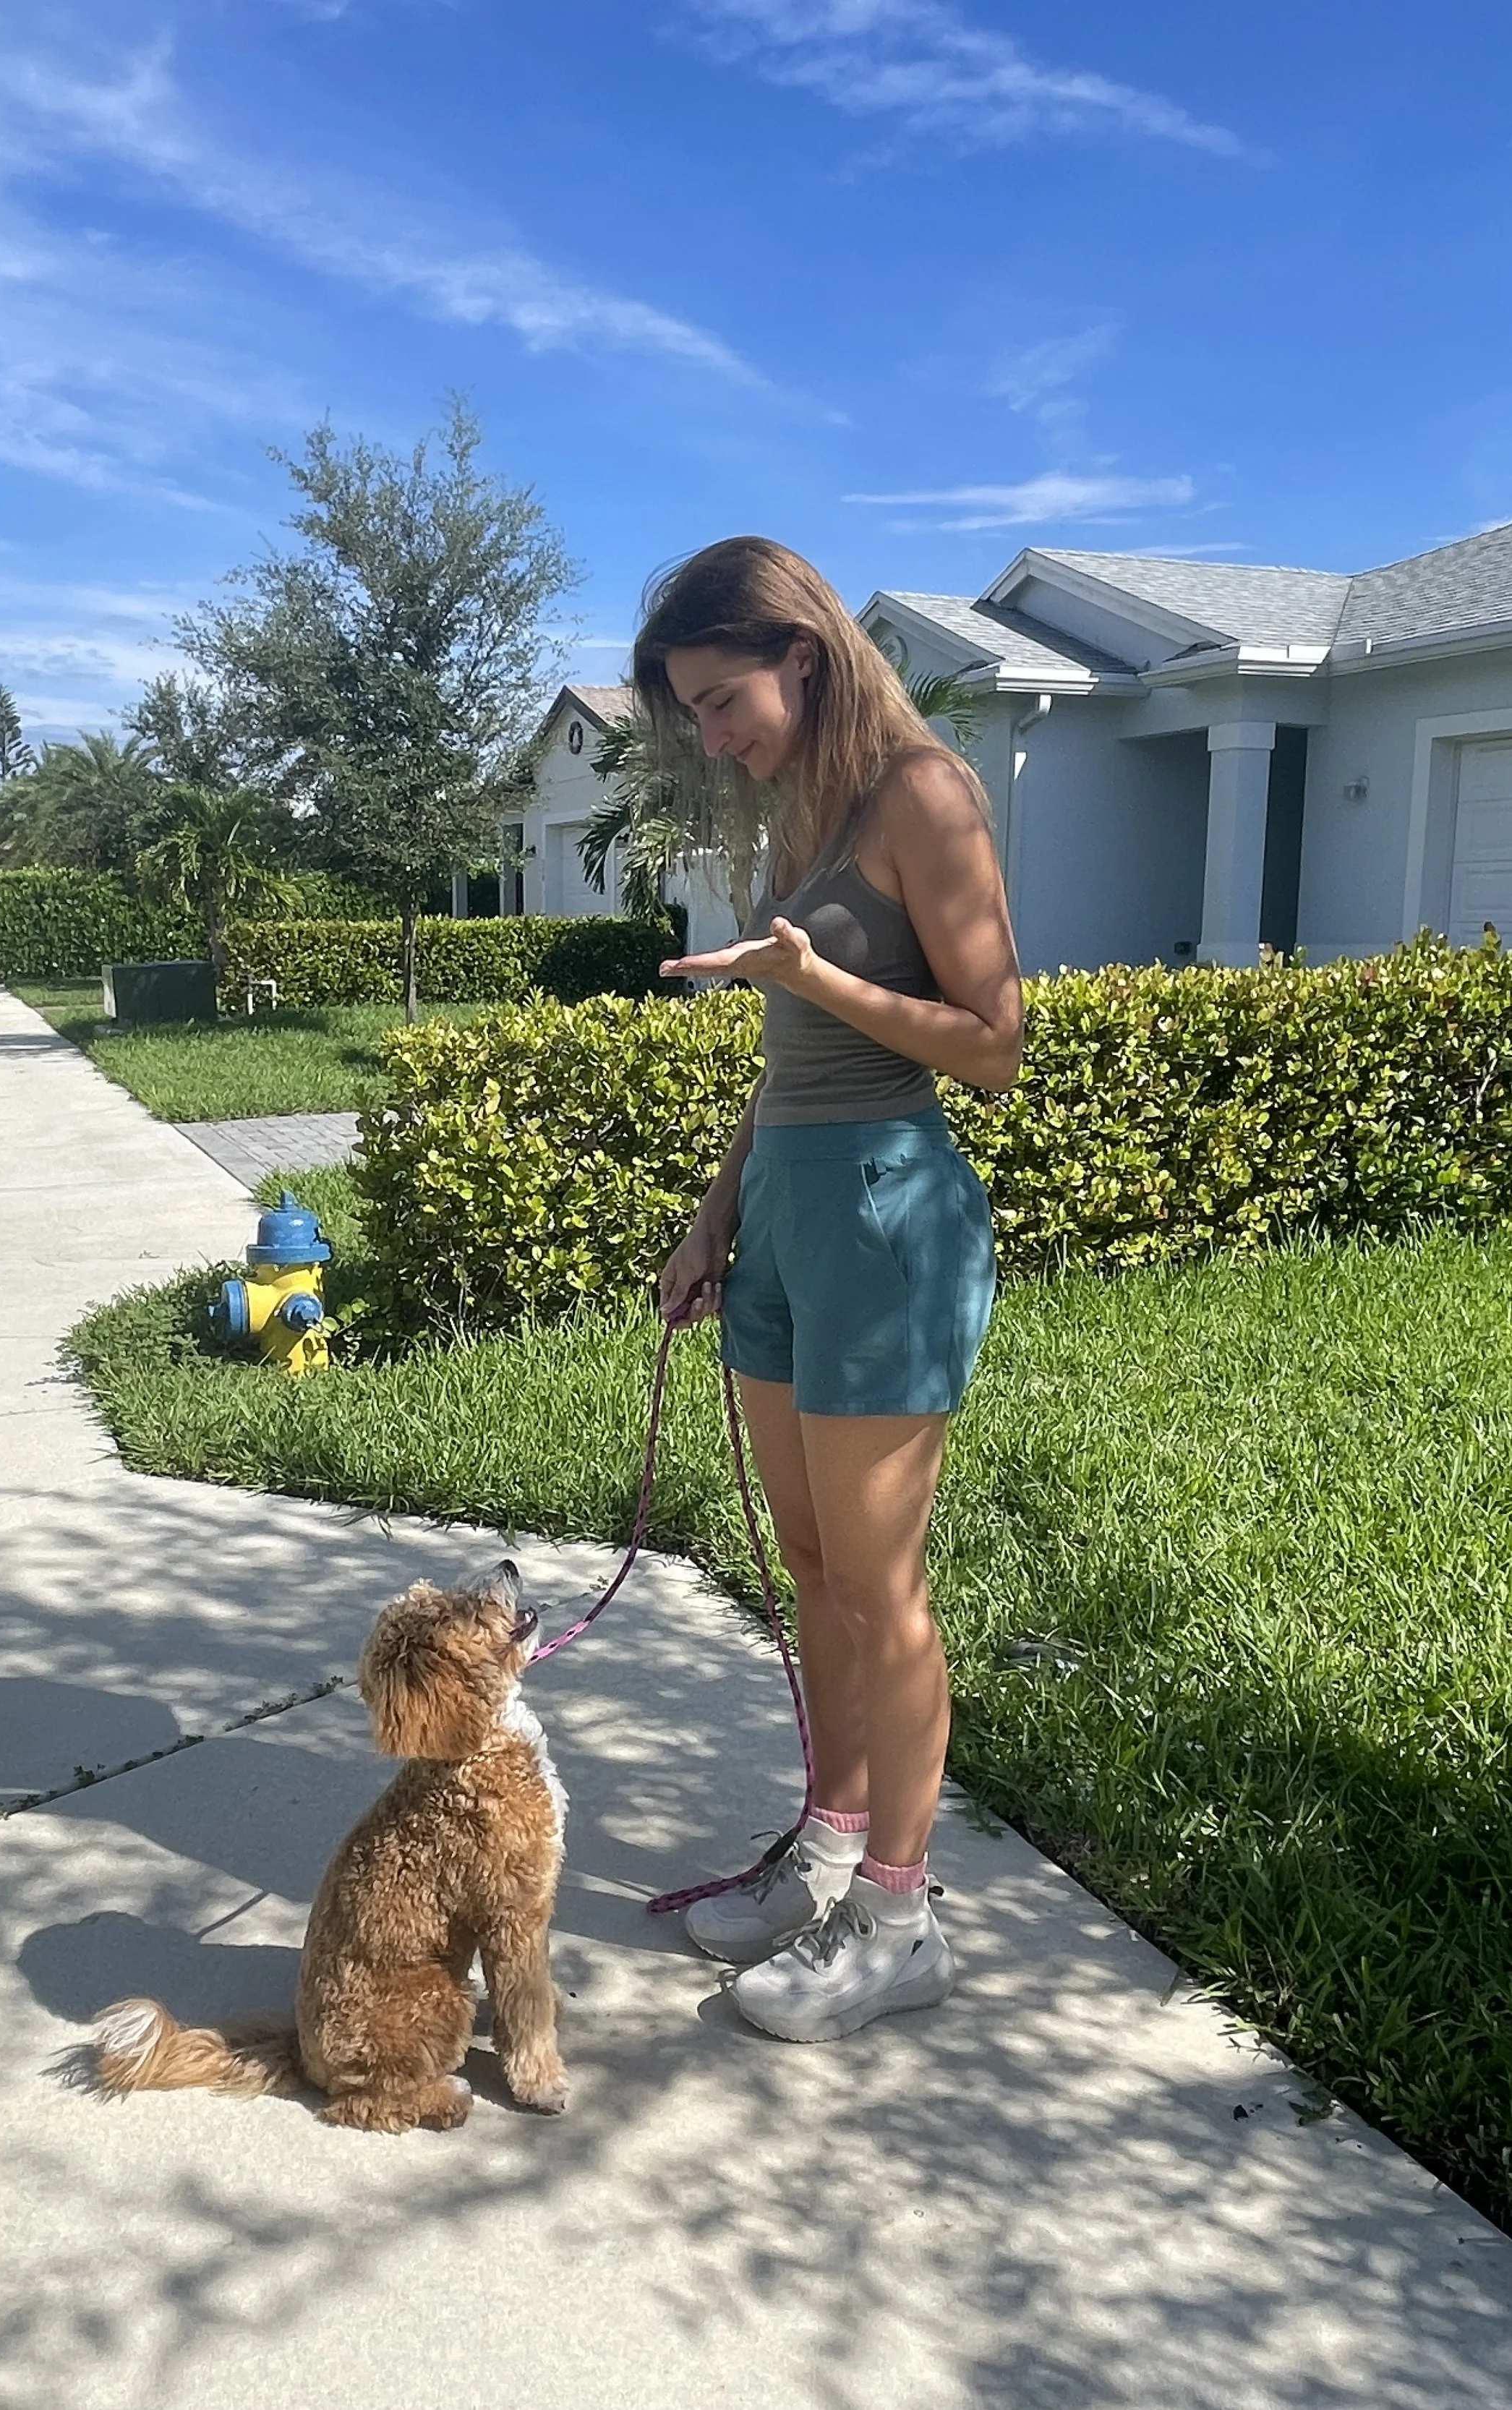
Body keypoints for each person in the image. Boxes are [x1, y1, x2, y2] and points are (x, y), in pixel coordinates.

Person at [641, 536, 1023, 2043]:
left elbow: (993, 1044)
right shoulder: (791, 814)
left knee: (878, 1588)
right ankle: (827, 1843)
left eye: (722, 699)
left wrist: (822, 980)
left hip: (885, 1210)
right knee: (806, 1562)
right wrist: (710, 1214)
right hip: (792, 1212)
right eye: (692, 713)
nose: (711, 735)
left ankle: (901, 1915)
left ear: (800, 654)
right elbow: (779, 1060)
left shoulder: (922, 793)